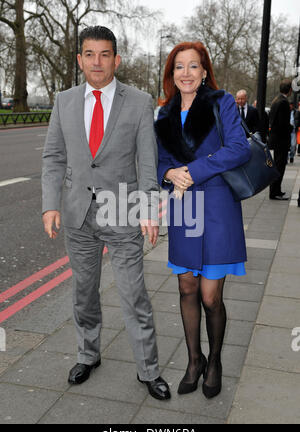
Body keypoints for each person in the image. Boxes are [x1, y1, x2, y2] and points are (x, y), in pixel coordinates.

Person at [42, 26, 171, 401]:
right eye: (89, 54)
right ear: (80, 59)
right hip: (78, 214)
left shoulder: (139, 100)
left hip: (123, 212)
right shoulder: (64, 100)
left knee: (134, 294)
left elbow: (148, 161)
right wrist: (51, 204)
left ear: (116, 59)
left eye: (104, 54)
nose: (96, 62)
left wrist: (149, 209)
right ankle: (88, 354)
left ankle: (149, 370)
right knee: (84, 293)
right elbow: (53, 156)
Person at [155, 42, 251, 399]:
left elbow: (239, 147)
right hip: (183, 209)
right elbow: (159, 161)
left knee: (211, 296)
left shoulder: (221, 102)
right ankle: (194, 360)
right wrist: (169, 172)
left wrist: (191, 171)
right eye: (179, 67)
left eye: (193, 66)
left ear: (205, 72)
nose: (186, 73)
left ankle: (215, 363)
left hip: (217, 208)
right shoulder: (164, 114)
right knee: (186, 289)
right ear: (172, 74)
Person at [269, 79, 293, 200]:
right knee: (279, 166)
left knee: (277, 165)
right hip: (281, 140)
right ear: (289, 90)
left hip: (276, 139)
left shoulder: (276, 100)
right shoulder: (283, 102)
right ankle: (275, 191)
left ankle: (276, 190)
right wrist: (291, 127)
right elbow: (283, 124)